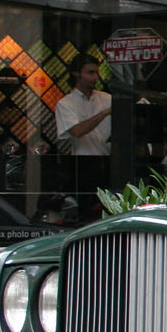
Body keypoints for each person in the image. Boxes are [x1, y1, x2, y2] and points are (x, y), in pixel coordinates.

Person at [54, 54, 111, 223]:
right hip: (83, 165)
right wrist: (104, 113)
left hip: (109, 162)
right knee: (87, 213)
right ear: (76, 74)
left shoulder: (106, 98)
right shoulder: (65, 104)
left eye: (96, 72)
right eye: (90, 72)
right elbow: (77, 131)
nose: (95, 77)